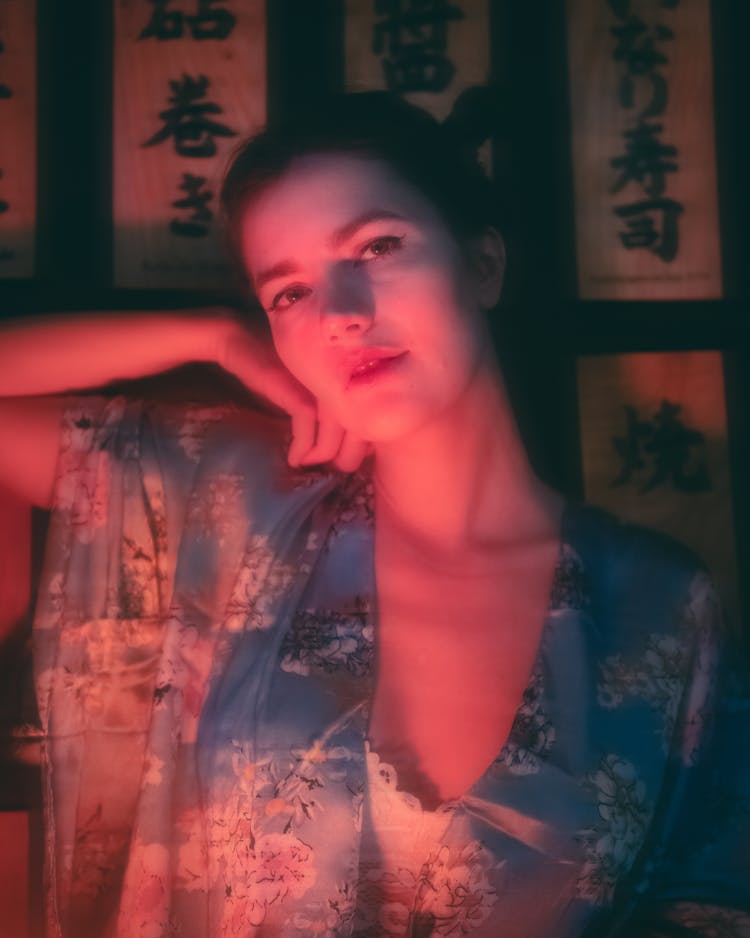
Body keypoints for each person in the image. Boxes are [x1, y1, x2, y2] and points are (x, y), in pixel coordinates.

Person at [0, 93, 748, 938]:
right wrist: (209, 334)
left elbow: (711, 899)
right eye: (287, 294)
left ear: (484, 265)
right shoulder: (232, 497)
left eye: (379, 246)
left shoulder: (660, 603)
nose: (340, 313)